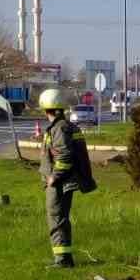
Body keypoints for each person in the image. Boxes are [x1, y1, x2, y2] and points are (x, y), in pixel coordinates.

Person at [38, 89, 95, 268]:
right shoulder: (62, 126)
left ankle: (62, 260)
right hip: (63, 181)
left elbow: (64, 156)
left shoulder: (59, 128)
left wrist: (54, 177)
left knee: (56, 218)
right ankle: (63, 258)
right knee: (58, 218)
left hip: (60, 183)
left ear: (46, 108)